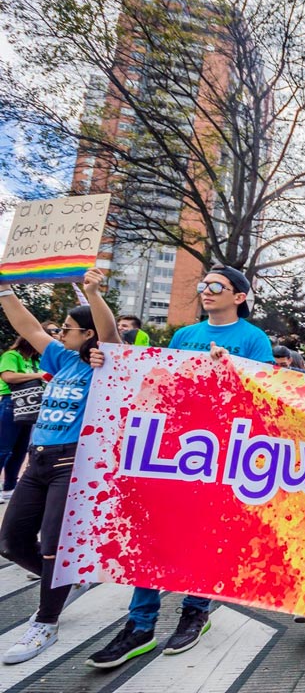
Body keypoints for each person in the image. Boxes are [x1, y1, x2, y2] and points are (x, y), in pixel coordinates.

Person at [87, 264, 273, 669]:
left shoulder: (254, 340)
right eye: (204, 284)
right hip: (170, 450)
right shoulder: (184, 336)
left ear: (239, 297)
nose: (205, 290)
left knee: (203, 536)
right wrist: (110, 361)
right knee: (152, 533)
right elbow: (157, 380)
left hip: (219, 456)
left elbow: (265, 396)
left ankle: (195, 610)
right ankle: (140, 625)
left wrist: (233, 372)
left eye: (216, 286)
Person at [0, 268, 120, 664]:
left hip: (72, 463)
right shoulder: (61, 357)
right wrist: (4, 291)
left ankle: (45, 621)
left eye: (68, 327)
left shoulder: (107, 363)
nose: (60, 332)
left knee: (54, 546)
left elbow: (110, 333)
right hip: (37, 461)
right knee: (12, 541)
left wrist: (93, 293)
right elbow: (28, 325)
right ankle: (70, 581)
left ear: (87, 333)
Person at [0, 335, 44, 501]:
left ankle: (10, 487)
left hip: (31, 405)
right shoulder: (12, 356)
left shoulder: (36, 360)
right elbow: (8, 377)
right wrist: (38, 376)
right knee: (3, 448)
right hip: (11, 402)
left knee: (19, 450)